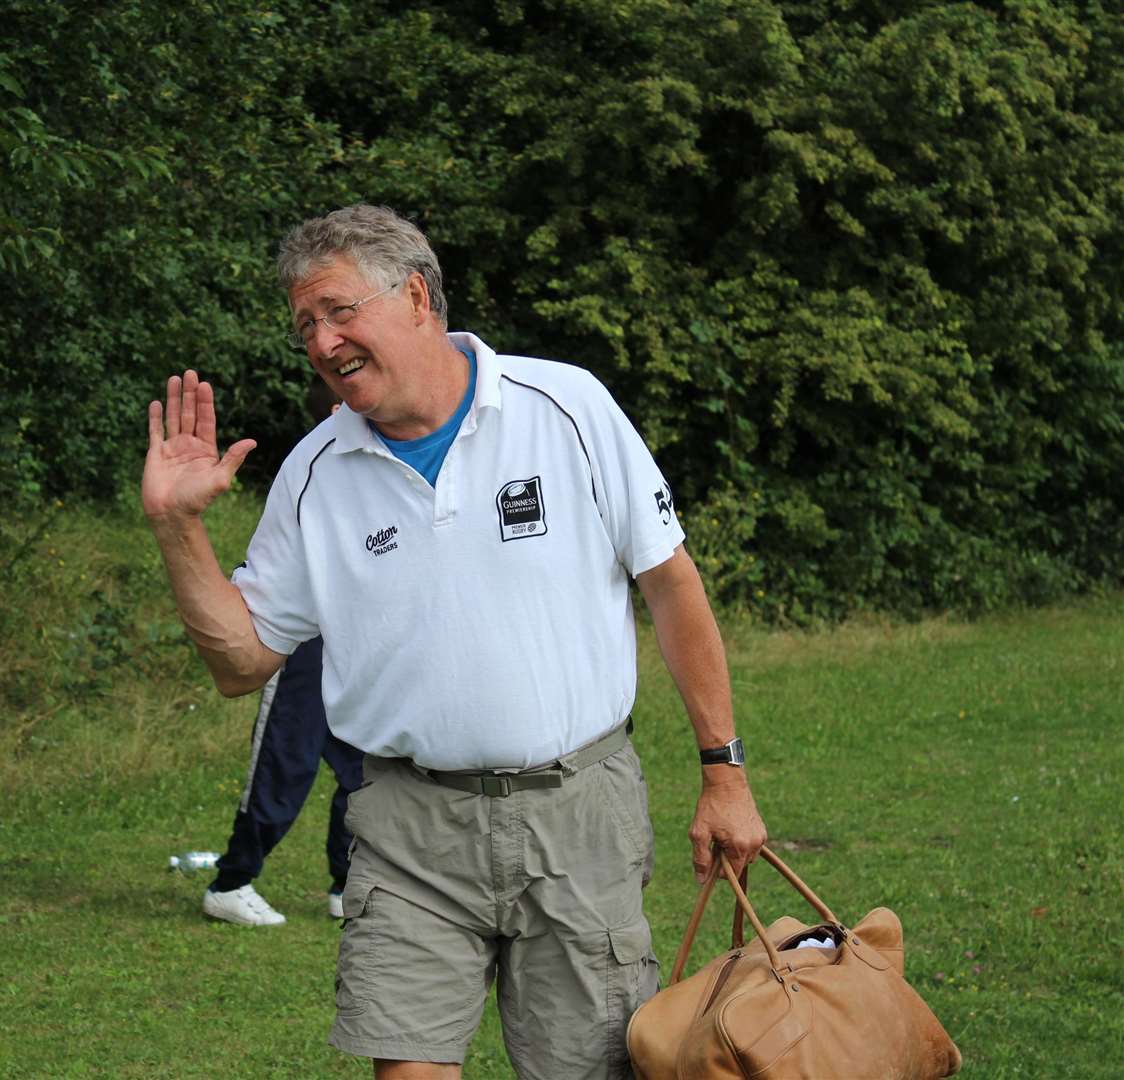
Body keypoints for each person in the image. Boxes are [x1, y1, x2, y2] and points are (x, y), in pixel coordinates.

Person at [141, 204, 766, 1080]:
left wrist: (723, 773)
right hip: (407, 825)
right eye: (305, 325)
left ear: (418, 294)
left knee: (586, 1069)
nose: (322, 342)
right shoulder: (316, 474)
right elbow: (242, 662)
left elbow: (670, 585)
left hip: (578, 813)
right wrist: (179, 530)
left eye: (339, 310)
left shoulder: (566, 406)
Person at [203, 380, 365, 928]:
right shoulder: (312, 470)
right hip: (299, 644)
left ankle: (347, 884)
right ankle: (231, 882)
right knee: (284, 764)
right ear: (336, 410)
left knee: (362, 769)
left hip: (357, 645)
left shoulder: (378, 464)